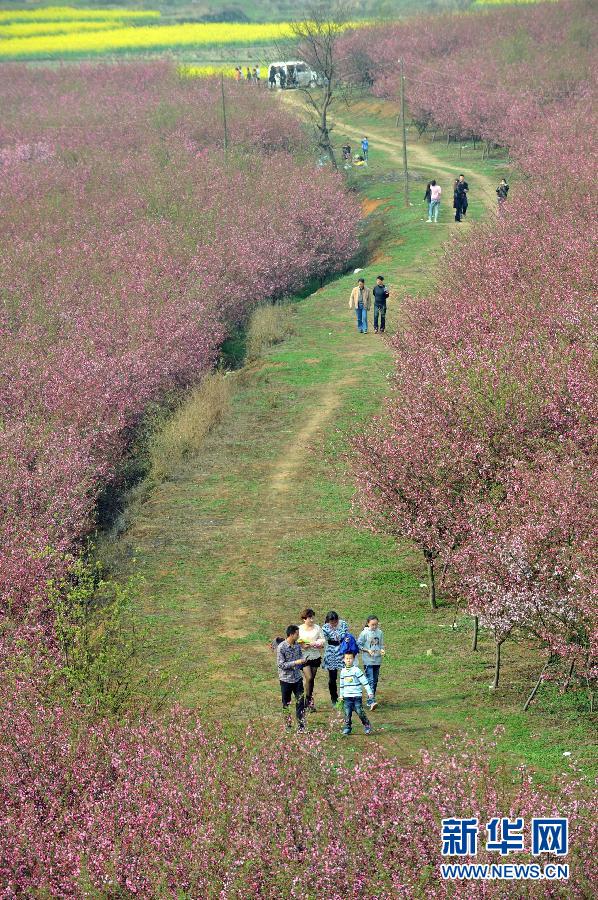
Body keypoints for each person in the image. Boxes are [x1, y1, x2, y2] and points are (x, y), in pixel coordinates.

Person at [277, 625, 308, 731]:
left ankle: (301, 726)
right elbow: (281, 665)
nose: (298, 636)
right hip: (286, 680)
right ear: (291, 634)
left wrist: (303, 660)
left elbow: (300, 657)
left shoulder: (297, 646)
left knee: (300, 702)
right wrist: (296, 662)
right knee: (286, 703)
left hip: (297, 679)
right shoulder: (281, 647)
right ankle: (288, 724)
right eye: (297, 634)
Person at [339, 651, 373, 735]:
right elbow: (342, 685)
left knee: (359, 711)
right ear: (344, 660)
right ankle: (347, 728)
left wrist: (369, 692)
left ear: (353, 659)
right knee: (347, 713)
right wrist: (341, 695)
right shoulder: (343, 672)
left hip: (357, 696)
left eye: (350, 658)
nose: (348, 660)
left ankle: (367, 725)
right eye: (347, 658)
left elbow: (364, 682)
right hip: (347, 697)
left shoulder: (356, 670)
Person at [298, 608, 325, 712]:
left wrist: (317, 643)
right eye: (310, 617)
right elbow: (295, 640)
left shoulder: (317, 628)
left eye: (313, 617)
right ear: (304, 619)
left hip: (315, 656)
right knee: (308, 678)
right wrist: (302, 645)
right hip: (304, 657)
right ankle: (307, 701)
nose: (312, 619)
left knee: (311, 679)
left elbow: (322, 640)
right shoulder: (299, 629)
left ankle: (308, 701)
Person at [322, 611, 349, 706]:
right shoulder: (325, 627)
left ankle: (345, 697)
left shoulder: (343, 624)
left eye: (335, 622)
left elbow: (345, 636)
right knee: (332, 677)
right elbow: (323, 639)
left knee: (345, 675)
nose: (334, 624)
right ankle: (334, 698)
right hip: (331, 652)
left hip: (342, 650)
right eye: (332, 622)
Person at [357, 615, 385, 709]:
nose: (374, 626)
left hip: (377, 660)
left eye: (376, 624)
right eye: (372, 625)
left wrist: (382, 650)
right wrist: (367, 650)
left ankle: (371, 699)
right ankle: (371, 701)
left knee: (375, 681)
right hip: (368, 660)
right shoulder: (364, 633)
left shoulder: (380, 633)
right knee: (370, 680)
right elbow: (359, 645)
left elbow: (381, 645)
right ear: (368, 623)